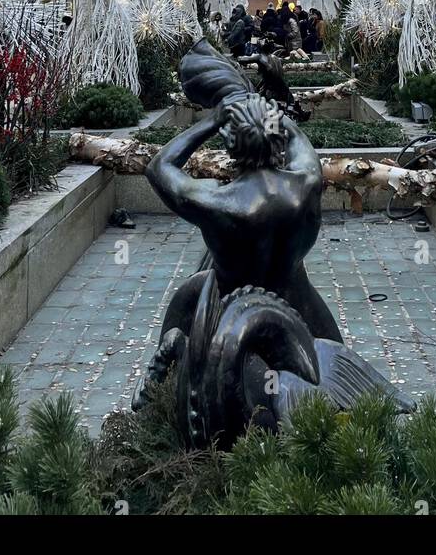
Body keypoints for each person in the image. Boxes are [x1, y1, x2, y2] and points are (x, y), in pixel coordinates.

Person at [145, 41, 341, 340]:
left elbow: (159, 167)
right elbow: (296, 135)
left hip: (230, 320)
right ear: (275, 131)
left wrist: (213, 120)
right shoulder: (307, 184)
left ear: (228, 139)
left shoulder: (217, 203)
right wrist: (268, 108)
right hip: (301, 308)